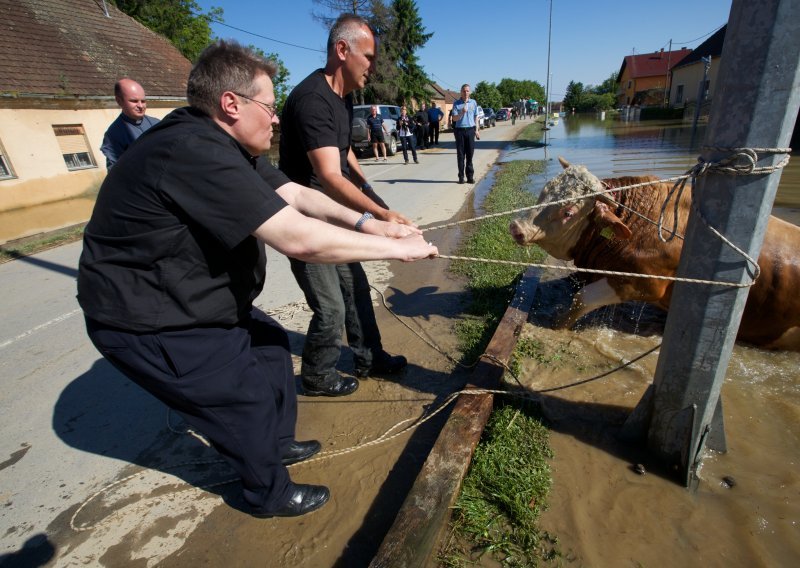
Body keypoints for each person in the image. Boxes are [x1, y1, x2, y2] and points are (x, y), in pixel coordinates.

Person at [77, 40, 437, 519]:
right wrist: (398, 250)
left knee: (268, 346)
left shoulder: (231, 147)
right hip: (145, 317)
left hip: (196, 301)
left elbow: (295, 194)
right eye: (268, 107)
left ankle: (275, 444)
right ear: (231, 104)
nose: (275, 119)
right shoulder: (192, 149)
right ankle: (266, 493)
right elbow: (297, 238)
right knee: (241, 396)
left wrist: (374, 224)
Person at [279, 14, 419, 397]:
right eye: (369, 56)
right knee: (330, 306)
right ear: (343, 50)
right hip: (303, 217)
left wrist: (377, 199)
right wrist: (381, 216)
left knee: (356, 287)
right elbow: (329, 176)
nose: (373, 66)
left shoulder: (344, 98)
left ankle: (370, 358)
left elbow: (345, 158)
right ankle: (317, 376)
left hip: (332, 210)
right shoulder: (312, 100)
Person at [100, 78, 160, 169]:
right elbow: (115, 173)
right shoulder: (114, 135)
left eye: (143, 101)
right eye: (134, 101)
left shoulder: (157, 123)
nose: (140, 106)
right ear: (119, 101)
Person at [450, 83, 480, 184]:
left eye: (467, 91)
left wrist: (477, 130)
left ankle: (470, 177)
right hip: (460, 131)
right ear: (461, 92)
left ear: (470, 92)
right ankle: (461, 177)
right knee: (461, 155)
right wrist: (462, 112)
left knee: (470, 155)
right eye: (464, 91)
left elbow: (476, 117)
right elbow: (454, 118)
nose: (466, 93)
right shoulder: (456, 103)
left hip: (471, 130)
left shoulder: (473, 103)